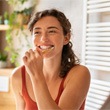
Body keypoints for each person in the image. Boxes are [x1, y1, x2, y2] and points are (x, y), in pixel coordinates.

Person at [11, 8, 91, 110]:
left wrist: (36, 75)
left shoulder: (80, 74)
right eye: (37, 32)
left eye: (52, 31)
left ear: (66, 38)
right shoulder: (18, 76)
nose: (43, 38)